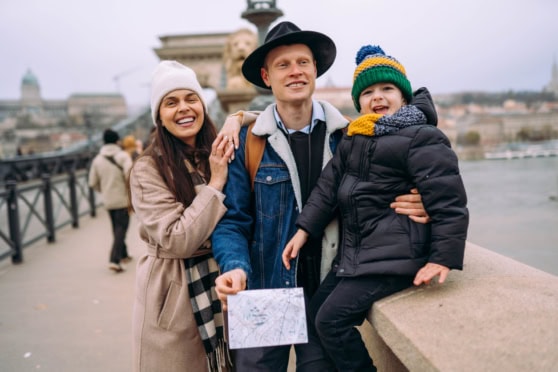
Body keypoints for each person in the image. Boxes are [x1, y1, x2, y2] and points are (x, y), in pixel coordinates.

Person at [211, 21, 435, 371]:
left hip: (325, 294)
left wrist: (423, 200)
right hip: (264, 290)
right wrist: (235, 267)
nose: (295, 71)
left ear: (316, 70)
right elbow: (233, 221)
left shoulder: (352, 137)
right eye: (283, 65)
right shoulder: (248, 143)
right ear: (267, 77)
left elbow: (405, 182)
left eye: (303, 62)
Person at [282, 44, 469, 371]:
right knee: (316, 313)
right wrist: (303, 229)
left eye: (387, 88)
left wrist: (442, 257)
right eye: (368, 92)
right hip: (361, 256)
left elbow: (448, 200)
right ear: (359, 101)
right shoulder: (356, 137)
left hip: (396, 257)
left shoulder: (420, 136)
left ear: (404, 96)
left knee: (331, 321)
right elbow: (327, 188)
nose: (377, 97)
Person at [129, 60, 234, 372]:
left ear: (203, 104)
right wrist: (215, 184)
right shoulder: (147, 169)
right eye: (170, 102)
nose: (184, 109)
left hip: (226, 283)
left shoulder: (221, 149)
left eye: (191, 99)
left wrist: (238, 118)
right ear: (158, 116)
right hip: (174, 289)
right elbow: (178, 239)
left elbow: (270, 119)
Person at [88, 128, 133, 272]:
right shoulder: (123, 156)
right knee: (122, 228)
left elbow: (92, 183)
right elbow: (130, 176)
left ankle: (124, 254)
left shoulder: (97, 160)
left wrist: (105, 190)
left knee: (116, 227)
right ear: (117, 141)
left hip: (108, 200)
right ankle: (114, 260)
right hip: (122, 199)